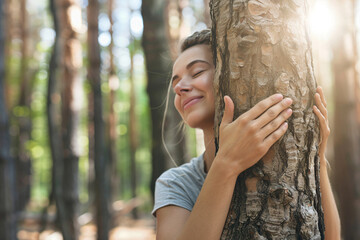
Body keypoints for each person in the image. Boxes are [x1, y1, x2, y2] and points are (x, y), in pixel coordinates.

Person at [152, 29, 341, 240]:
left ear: (229, 74)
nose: (179, 88)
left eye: (196, 72)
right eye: (175, 82)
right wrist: (227, 164)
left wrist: (317, 159)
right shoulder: (176, 183)